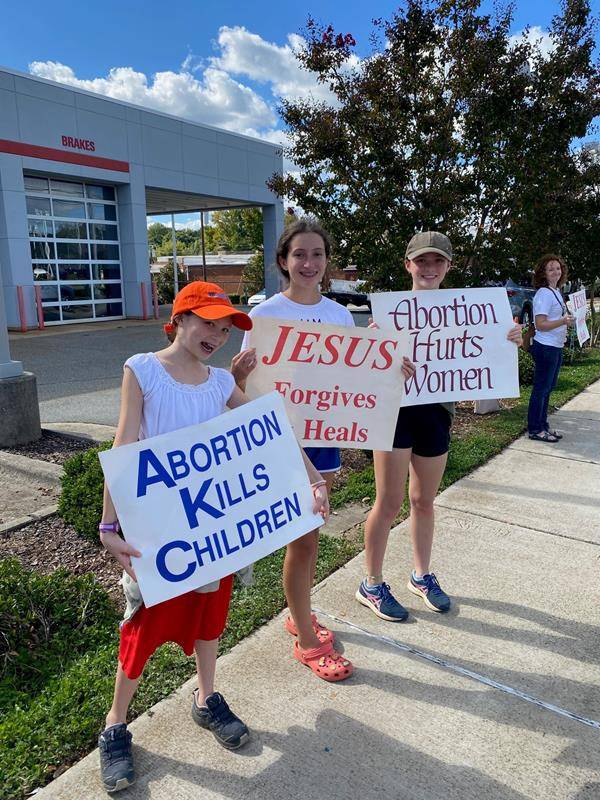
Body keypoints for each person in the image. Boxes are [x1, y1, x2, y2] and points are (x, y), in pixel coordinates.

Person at [97, 281, 329, 792]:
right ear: (179, 318)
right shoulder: (142, 370)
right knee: (143, 628)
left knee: (210, 617)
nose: (217, 335)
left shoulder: (220, 382)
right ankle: (115, 725)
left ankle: (206, 698)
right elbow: (124, 443)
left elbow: (270, 431)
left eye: (225, 329)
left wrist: (312, 477)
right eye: (208, 322)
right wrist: (108, 526)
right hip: (159, 535)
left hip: (212, 534)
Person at [233, 218, 413, 681]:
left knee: (310, 532)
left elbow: (355, 379)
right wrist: (236, 377)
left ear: (327, 262)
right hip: (282, 440)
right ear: (283, 261)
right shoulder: (264, 316)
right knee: (304, 535)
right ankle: (306, 638)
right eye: (299, 255)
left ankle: (299, 612)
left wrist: (393, 372)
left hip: (324, 438)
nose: (308, 263)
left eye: (317, 254)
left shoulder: (337, 315)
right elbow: (248, 390)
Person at [357, 231, 523, 622]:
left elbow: (486, 352)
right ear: (408, 264)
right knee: (388, 502)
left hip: (436, 414)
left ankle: (421, 575)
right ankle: (372, 582)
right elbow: (364, 368)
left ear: (449, 266)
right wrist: (375, 350)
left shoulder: (470, 311)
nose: (429, 268)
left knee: (424, 501)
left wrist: (509, 338)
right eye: (421, 261)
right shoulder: (390, 314)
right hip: (395, 415)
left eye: (437, 261)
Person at [527, 254, 574, 442]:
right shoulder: (544, 294)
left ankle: (543, 425)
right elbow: (540, 324)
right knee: (541, 389)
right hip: (546, 347)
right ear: (543, 274)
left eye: (558, 268)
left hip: (555, 346)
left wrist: (567, 319)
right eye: (550, 269)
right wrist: (563, 320)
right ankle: (535, 429)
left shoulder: (555, 291)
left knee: (547, 388)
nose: (556, 271)